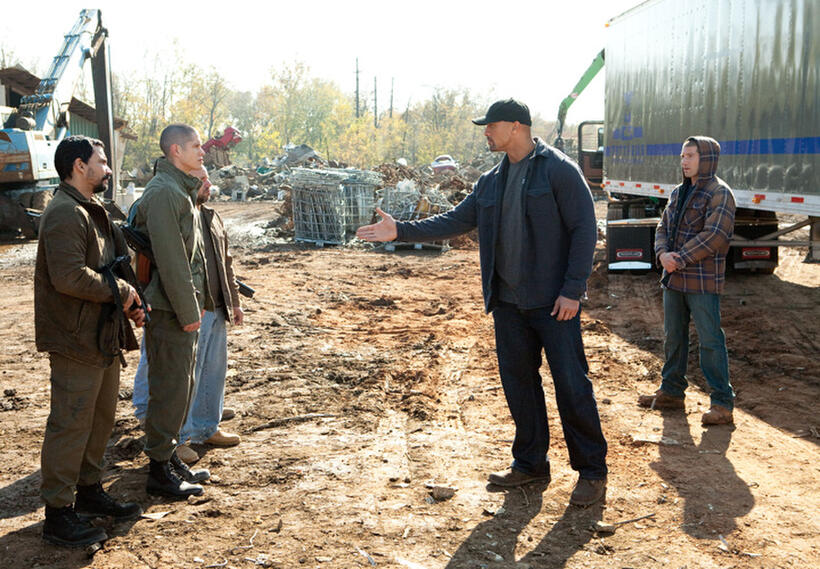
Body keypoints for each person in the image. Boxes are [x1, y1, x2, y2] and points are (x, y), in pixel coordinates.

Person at [357, 99, 608, 506]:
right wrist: (400, 230)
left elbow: (584, 229)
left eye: (491, 126)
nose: (485, 133)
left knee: (572, 387)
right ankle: (530, 464)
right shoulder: (491, 181)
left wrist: (573, 288)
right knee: (520, 387)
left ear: (516, 125)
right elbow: (455, 220)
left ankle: (592, 472)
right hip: (508, 303)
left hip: (553, 303)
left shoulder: (559, 170)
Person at [35, 135, 146, 546]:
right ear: (80, 166)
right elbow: (69, 277)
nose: (109, 169)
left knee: (98, 421)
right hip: (74, 337)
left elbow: (109, 267)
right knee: (70, 423)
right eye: (102, 161)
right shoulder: (66, 212)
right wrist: (120, 291)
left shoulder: (90, 209)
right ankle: (58, 515)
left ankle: (89, 491)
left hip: (100, 334)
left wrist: (130, 298)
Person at [132, 165, 244, 465]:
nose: (208, 185)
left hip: (214, 304)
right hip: (184, 305)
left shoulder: (210, 216)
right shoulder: (173, 208)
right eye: (201, 179)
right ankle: (176, 438)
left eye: (209, 180)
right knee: (179, 377)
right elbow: (169, 264)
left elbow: (225, 262)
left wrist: (232, 301)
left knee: (212, 370)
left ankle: (206, 427)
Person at [131, 124, 213, 497]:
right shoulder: (165, 193)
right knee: (169, 387)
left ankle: (168, 459)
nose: (203, 152)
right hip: (169, 309)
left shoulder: (180, 190)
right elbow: (173, 259)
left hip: (179, 306)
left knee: (183, 386)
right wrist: (188, 311)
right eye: (196, 146)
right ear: (176, 150)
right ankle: (159, 471)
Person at [638, 136, 736, 425]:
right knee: (673, 337)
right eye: (682, 156)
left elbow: (715, 236)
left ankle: (721, 404)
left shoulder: (720, 193)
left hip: (703, 282)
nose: (684, 161)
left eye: (690, 156)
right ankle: (671, 392)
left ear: (706, 159)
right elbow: (663, 226)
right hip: (674, 279)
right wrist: (662, 253)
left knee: (710, 341)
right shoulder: (679, 193)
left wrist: (678, 258)